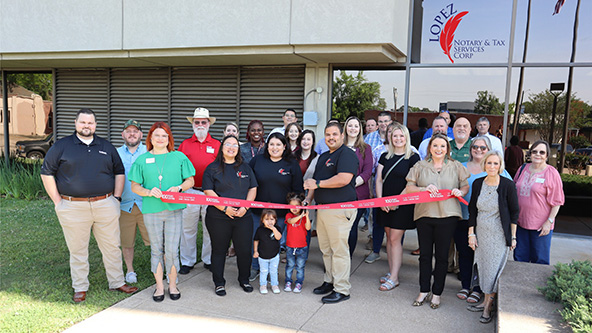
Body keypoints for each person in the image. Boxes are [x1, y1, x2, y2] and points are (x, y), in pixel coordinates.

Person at [40, 108, 138, 303]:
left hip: (105, 204)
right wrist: (58, 202)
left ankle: (117, 281)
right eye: (83, 122)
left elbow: (119, 172)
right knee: (78, 249)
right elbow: (47, 173)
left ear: (95, 125)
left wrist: (116, 198)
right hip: (73, 207)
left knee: (111, 246)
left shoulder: (106, 146)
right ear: (76, 123)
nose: (87, 126)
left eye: (90, 123)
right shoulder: (61, 146)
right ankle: (80, 286)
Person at [129, 122, 195, 302]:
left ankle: (172, 285)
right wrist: (148, 192)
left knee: (172, 250)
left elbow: (190, 180)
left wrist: (180, 188)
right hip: (152, 211)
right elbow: (134, 185)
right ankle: (159, 287)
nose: (160, 139)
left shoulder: (179, 157)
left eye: (164, 136)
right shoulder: (142, 160)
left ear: (169, 139)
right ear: (150, 138)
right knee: (156, 250)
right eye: (156, 135)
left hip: (174, 211)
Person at [406, 133, 469, 309]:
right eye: (435, 146)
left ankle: (437, 292)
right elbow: (409, 188)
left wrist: (461, 192)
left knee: (442, 257)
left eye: (442, 146)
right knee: (425, 256)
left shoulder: (456, 166)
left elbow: (465, 185)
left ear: (447, 148)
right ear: (430, 148)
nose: (439, 149)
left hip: (448, 216)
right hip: (425, 215)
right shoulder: (420, 165)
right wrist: (423, 188)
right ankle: (423, 289)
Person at [304, 122, 358, 304]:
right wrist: (308, 199)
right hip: (323, 209)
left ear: (342, 135)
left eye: (335, 134)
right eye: (328, 134)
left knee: (339, 250)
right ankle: (330, 281)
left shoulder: (347, 154)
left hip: (340, 210)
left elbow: (343, 179)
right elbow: (313, 181)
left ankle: (342, 289)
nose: (331, 137)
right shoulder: (323, 156)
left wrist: (318, 185)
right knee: (326, 249)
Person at [457, 136, 512, 304]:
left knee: (481, 257)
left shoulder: (497, 168)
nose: (478, 150)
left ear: (488, 150)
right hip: (462, 217)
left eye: (483, 147)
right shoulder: (462, 167)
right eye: (475, 146)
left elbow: (509, 194)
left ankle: (479, 289)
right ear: (470, 148)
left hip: (486, 223)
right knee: (465, 254)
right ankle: (466, 285)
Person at [467, 151, 519, 323]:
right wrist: (471, 233)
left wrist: (513, 237)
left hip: (498, 235)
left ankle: (488, 308)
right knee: (482, 268)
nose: (492, 167)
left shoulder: (507, 185)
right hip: (481, 234)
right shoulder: (477, 183)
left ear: (500, 166)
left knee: (493, 271)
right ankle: (484, 301)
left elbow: (514, 212)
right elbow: (472, 210)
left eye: (495, 164)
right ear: (484, 165)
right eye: (489, 163)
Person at [203, 135, 258, 296]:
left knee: (244, 250)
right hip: (218, 217)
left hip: (243, 216)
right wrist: (224, 208)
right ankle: (219, 283)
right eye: (228, 144)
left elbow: (252, 188)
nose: (232, 147)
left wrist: (245, 207)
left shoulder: (245, 168)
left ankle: (244, 280)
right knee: (219, 250)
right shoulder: (212, 168)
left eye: (235, 145)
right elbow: (208, 191)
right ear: (222, 147)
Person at [248, 132, 304, 281]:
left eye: (278, 144)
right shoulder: (257, 161)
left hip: (280, 215)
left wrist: (298, 207)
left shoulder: (291, 164)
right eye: (271, 144)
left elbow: (298, 189)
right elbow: (247, 182)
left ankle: (270, 271)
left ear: (284, 146)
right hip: (257, 213)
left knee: (273, 243)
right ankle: (255, 267)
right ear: (267, 146)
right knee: (256, 240)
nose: (274, 147)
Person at [375, 123, 419, 291]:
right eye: (395, 136)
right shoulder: (384, 156)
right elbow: (379, 179)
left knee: (395, 239)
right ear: (390, 138)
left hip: (402, 205)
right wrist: (381, 200)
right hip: (384, 203)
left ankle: (394, 277)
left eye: (401, 136)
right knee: (389, 237)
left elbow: (412, 183)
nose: (398, 139)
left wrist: (396, 202)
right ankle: (392, 271)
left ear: (406, 137)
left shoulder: (413, 157)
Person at [178, 107, 220, 274]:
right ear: (193, 124)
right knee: (188, 228)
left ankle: (208, 260)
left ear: (209, 124)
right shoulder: (185, 144)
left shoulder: (217, 144)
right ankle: (187, 261)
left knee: (210, 228)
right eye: (197, 122)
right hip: (191, 192)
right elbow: (177, 168)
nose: (200, 125)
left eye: (203, 122)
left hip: (210, 193)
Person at [513, 140, 564, 265]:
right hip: (520, 224)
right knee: (520, 259)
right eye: (534, 151)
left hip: (541, 227)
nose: (538, 154)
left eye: (542, 152)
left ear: (547, 155)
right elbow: (513, 190)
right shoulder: (522, 169)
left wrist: (549, 221)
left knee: (540, 261)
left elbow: (557, 201)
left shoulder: (551, 173)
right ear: (530, 154)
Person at [117, 119, 150, 284]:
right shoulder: (115, 153)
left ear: (141, 134)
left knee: (156, 240)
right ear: (123, 134)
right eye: (128, 131)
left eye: (135, 131)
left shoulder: (150, 151)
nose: (132, 134)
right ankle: (130, 271)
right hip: (125, 205)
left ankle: (164, 270)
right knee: (126, 241)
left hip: (148, 205)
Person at [343, 116, 373, 257]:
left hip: (358, 194)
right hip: (338, 195)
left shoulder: (366, 149)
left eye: (356, 126)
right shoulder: (339, 147)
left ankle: (347, 259)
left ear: (360, 129)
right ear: (345, 128)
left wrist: (350, 184)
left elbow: (367, 172)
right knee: (338, 229)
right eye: (350, 125)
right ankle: (336, 258)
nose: (353, 129)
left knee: (352, 228)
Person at [447, 117, 472, 278]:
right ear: (453, 129)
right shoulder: (447, 145)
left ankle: (462, 268)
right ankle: (448, 265)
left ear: (470, 130)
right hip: (447, 199)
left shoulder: (475, 146)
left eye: (465, 126)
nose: (461, 128)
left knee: (463, 239)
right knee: (447, 235)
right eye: (458, 126)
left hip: (467, 199)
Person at [284, 193, 312, 293]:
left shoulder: (304, 217)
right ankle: (288, 281)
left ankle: (299, 283)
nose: (294, 208)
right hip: (290, 246)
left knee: (300, 267)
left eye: (297, 206)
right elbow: (291, 221)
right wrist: (301, 216)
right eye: (292, 206)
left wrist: (307, 216)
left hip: (302, 246)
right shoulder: (289, 215)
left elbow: (308, 227)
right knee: (290, 265)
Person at [253, 209, 282, 294]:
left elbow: (278, 237)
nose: (269, 222)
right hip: (262, 255)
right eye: (266, 219)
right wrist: (255, 251)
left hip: (274, 255)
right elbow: (256, 240)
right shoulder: (260, 230)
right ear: (262, 220)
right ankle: (263, 285)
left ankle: (274, 285)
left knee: (274, 271)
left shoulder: (277, 228)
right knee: (263, 271)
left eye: (272, 219)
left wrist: (274, 229)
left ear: (275, 220)